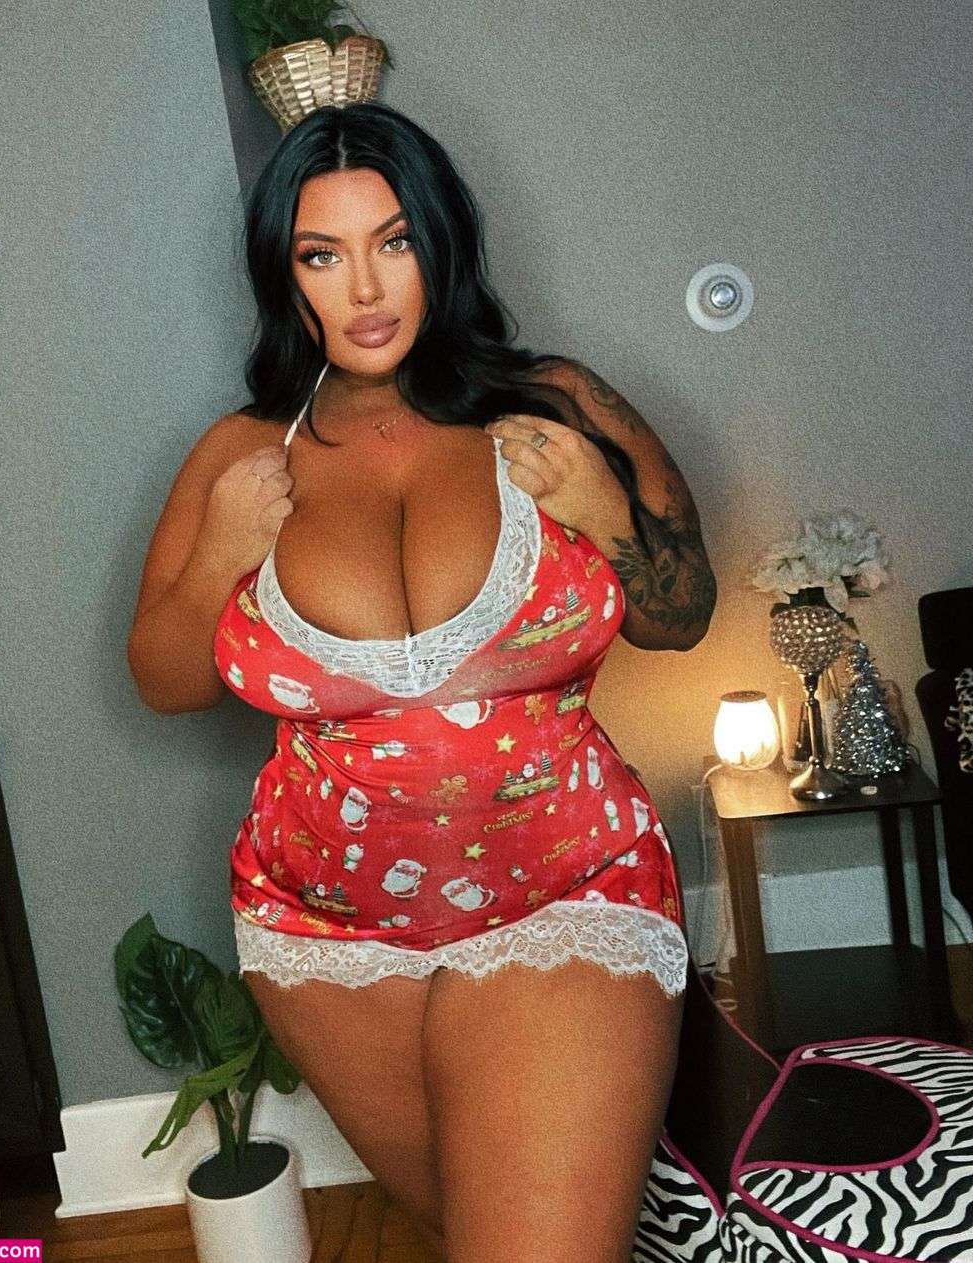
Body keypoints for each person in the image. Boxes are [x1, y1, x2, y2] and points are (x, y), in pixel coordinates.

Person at [128, 101, 716, 1263]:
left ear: (441, 240)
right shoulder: (241, 453)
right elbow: (165, 680)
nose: (365, 288)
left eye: (393, 241)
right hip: (321, 935)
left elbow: (683, 616)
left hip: (566, 894)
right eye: (323, 254)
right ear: (284, 273)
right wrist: (217, 556)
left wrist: (602, 510)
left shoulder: (558, 403)